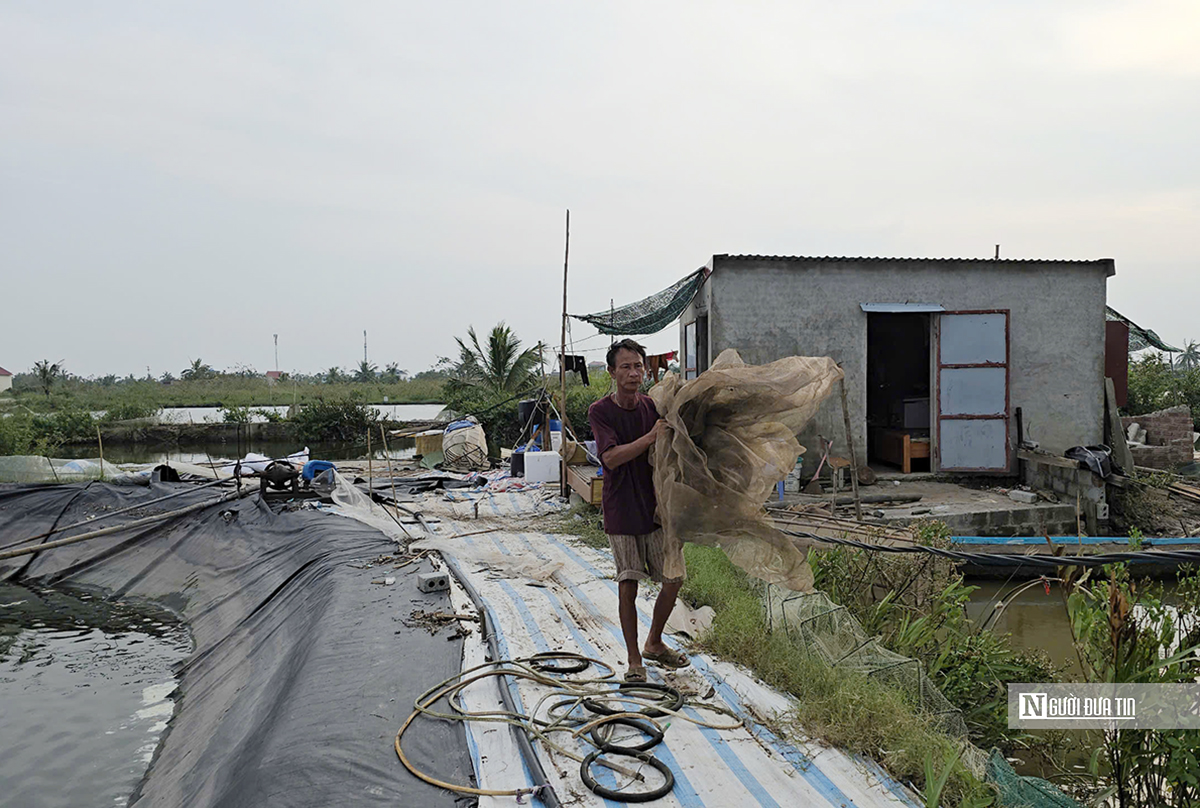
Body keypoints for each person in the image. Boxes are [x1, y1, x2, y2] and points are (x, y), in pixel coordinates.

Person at [587, 338, 690, 682]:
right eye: (626, 366)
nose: (633, 373)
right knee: (628, 583)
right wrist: (648, 439)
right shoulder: (600, 411)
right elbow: (611, 458)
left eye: (638, 366)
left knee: (673, 579)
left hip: (654, 508)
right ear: (613, 372)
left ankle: (655, 643)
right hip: (621, 509)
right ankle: (634, 661)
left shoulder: (651, 407)